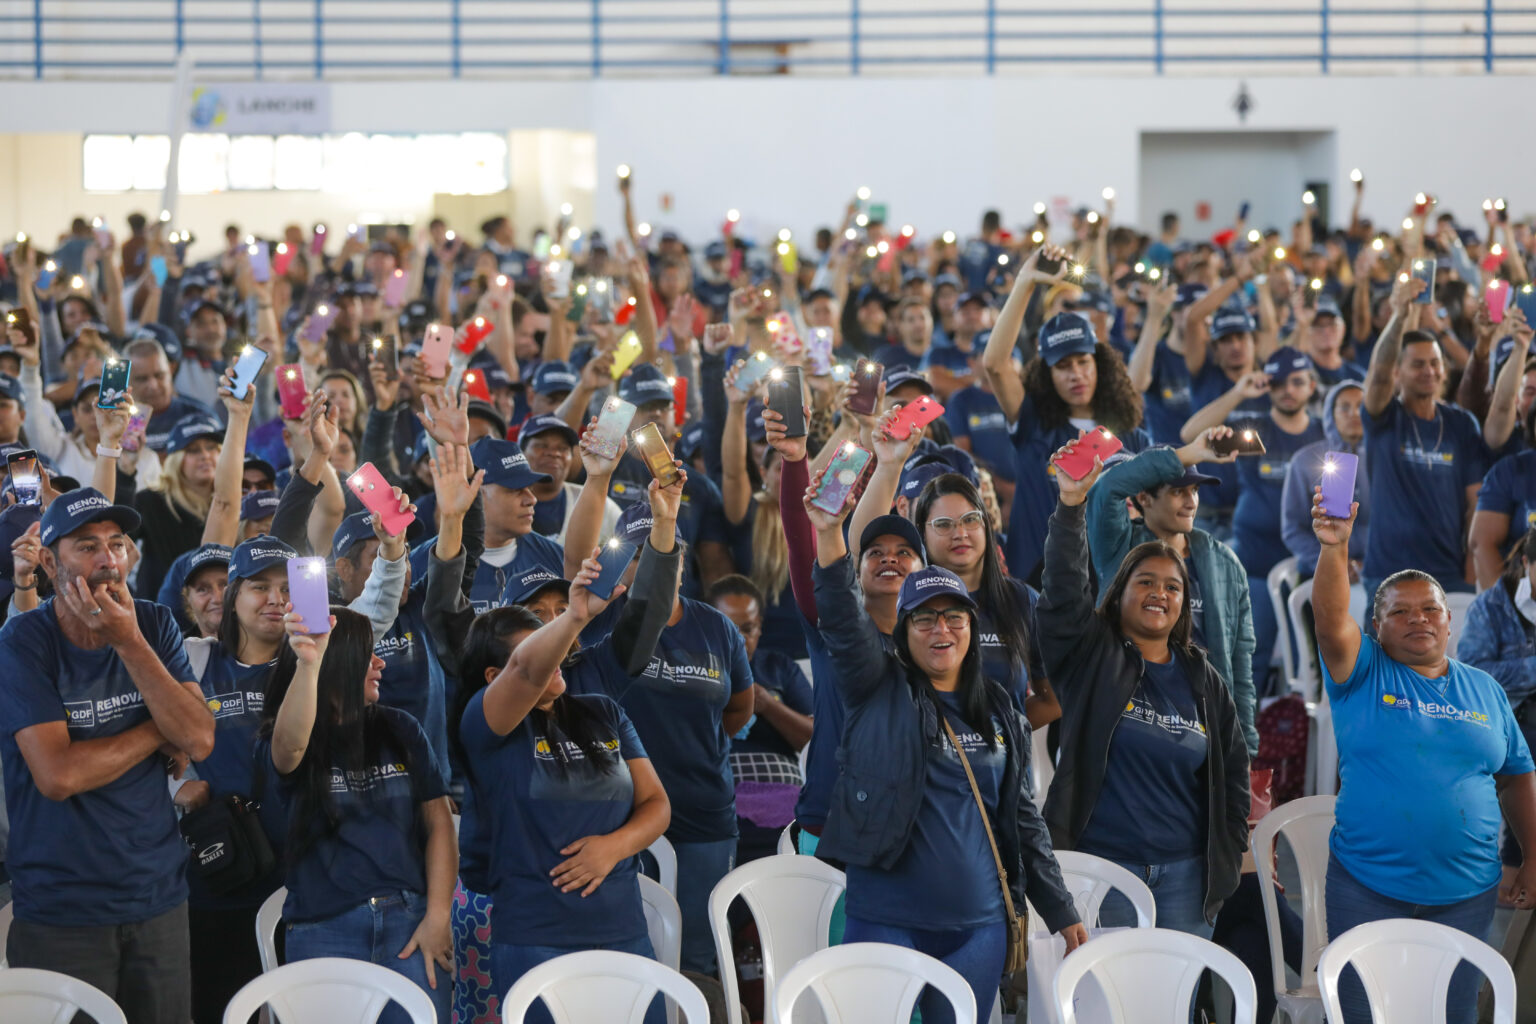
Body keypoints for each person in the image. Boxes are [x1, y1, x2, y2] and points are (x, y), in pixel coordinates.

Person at [805, 468, 1086, 1024]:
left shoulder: (1002, 707)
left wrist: (1059, 907)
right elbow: (839, 611)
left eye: (953, 617)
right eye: (926, 619)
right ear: (903, 632)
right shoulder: (875, 685)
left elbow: (1022, 817)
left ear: (969, 624)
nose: (942, 630)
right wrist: (827, 532)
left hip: (978, 926)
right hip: (886, 916)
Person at [1310, 490, 1536, 1024]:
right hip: (1368, 887)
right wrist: (1335, 546)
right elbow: (1328, 616)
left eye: (1431, 608)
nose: (1420, 619)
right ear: (1376, 628)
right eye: (1400, 612)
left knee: (1450, 1013)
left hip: (1467, 892)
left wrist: (1532, 855)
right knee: (1363, 1013)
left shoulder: (1485, 690)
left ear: (1449, 622)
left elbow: (1518, 776)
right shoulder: (1359, 673)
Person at [0, 486, 215, 1023]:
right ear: (49, 562)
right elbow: (58, 775)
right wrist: (154, 729)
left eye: (116, 545)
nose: (106, 561)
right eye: (87, 547)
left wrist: (129, 642)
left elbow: (198, 739)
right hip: (61, 911)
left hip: (158, 898)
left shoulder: (155, 624)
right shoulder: (22, 642)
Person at [1037, 439, 1251, 938]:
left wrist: (1230, 840)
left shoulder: (1203, 678)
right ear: (1119, 593)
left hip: (1185, 877)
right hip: (1102, 873)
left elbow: (1233, 768)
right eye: (1146, 583)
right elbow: (1064, 592)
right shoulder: (1090, 656)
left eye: (1172, 587)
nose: (1160, 594)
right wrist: (1070, 509)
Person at [457, 572, 671, 1024]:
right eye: (541, 646)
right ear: (493, 676)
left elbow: (656, 805)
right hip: (536, 937)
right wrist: (574, 616)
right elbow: (525, 670)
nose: (557, 657)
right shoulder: (485, 724)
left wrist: (614, 847)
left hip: (624, 930)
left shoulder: (603, 711)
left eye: (553, 641)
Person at [263, 605, 457, 1024]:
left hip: (410, 923)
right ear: (338, 662)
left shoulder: (400, 727)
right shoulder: (294, 734)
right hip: (323, 927)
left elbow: (440, 824)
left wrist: (439, 915)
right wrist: (308, 663)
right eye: (367, 653)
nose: (380, 662)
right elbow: (289, 747)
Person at [174, 535, 299, 1023]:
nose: (276, 599)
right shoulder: (194, 658)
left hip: (297, 876)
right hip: (216, 875)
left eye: (289, 588)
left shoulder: (313, 665)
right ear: (235, 599)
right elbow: (149, 725)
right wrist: (175, 783)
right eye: (260, 587)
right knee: (219, 1007)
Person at [983, 246, 1151, 582]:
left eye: (1083, 362)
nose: (1076, 374)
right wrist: (1025, 282)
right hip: (1036, 588)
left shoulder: (1131, 436)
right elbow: (995, 365)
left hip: (1111, 587)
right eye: (1062, 366)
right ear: (1047, 375)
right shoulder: (1033, 423)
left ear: (1099, 364)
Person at [1084, 434, 1258, 752]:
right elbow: (1105, 490)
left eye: (1194, 491)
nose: (1191, 501)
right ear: (1144, 498)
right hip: (1132, 715)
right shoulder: (1118, 546)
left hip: (1207, 717)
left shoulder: (1224, 561)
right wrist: (1187, 453)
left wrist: (1244, 746)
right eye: (1178, 491)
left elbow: (1239, 660)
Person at [1182, 345, 1323, 691]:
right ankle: (1243, 740)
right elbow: (1190, 436)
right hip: (1254, 565)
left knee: (1309, 666)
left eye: (1296, 381)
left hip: (1309, 569)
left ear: (1311, 386)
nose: (1287, 390)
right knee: (1248, 662)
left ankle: (1298, 740)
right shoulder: (1252, 432)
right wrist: (1238, 392)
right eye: (1278, 384)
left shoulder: (1324, 434)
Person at [1359, 273, 1489, 614]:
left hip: (1448, 575)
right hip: (1387, 574)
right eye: (1417, 364)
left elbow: (1476, 503)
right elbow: (1379, 373)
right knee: (1383, 668)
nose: (1429, 371)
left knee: (1446, 667)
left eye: (1435, 363)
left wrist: (1470, 570)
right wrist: (1401, 315)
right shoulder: (1384, 416)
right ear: (1399, 372)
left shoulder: (1461, 424)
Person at [707, 574, 814, 863]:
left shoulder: (778, 667)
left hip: (783, 793)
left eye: (748, 628)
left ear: (760, 629)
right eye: (728, 628)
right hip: (715, 787)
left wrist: (767, 705)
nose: (738, 639)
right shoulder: (693, 671)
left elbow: (815, 740)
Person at [1280, 379, 1370, 580]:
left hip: (1374, 571)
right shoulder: (1305, 461)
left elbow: (1390, 524)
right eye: (1344, 407)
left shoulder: (1384, 460)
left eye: (1361, 407)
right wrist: (1331, 563)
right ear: (1331, 414)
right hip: (1318, 571)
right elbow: (1292, 529)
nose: (1354, 414)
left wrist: (1367, 565)